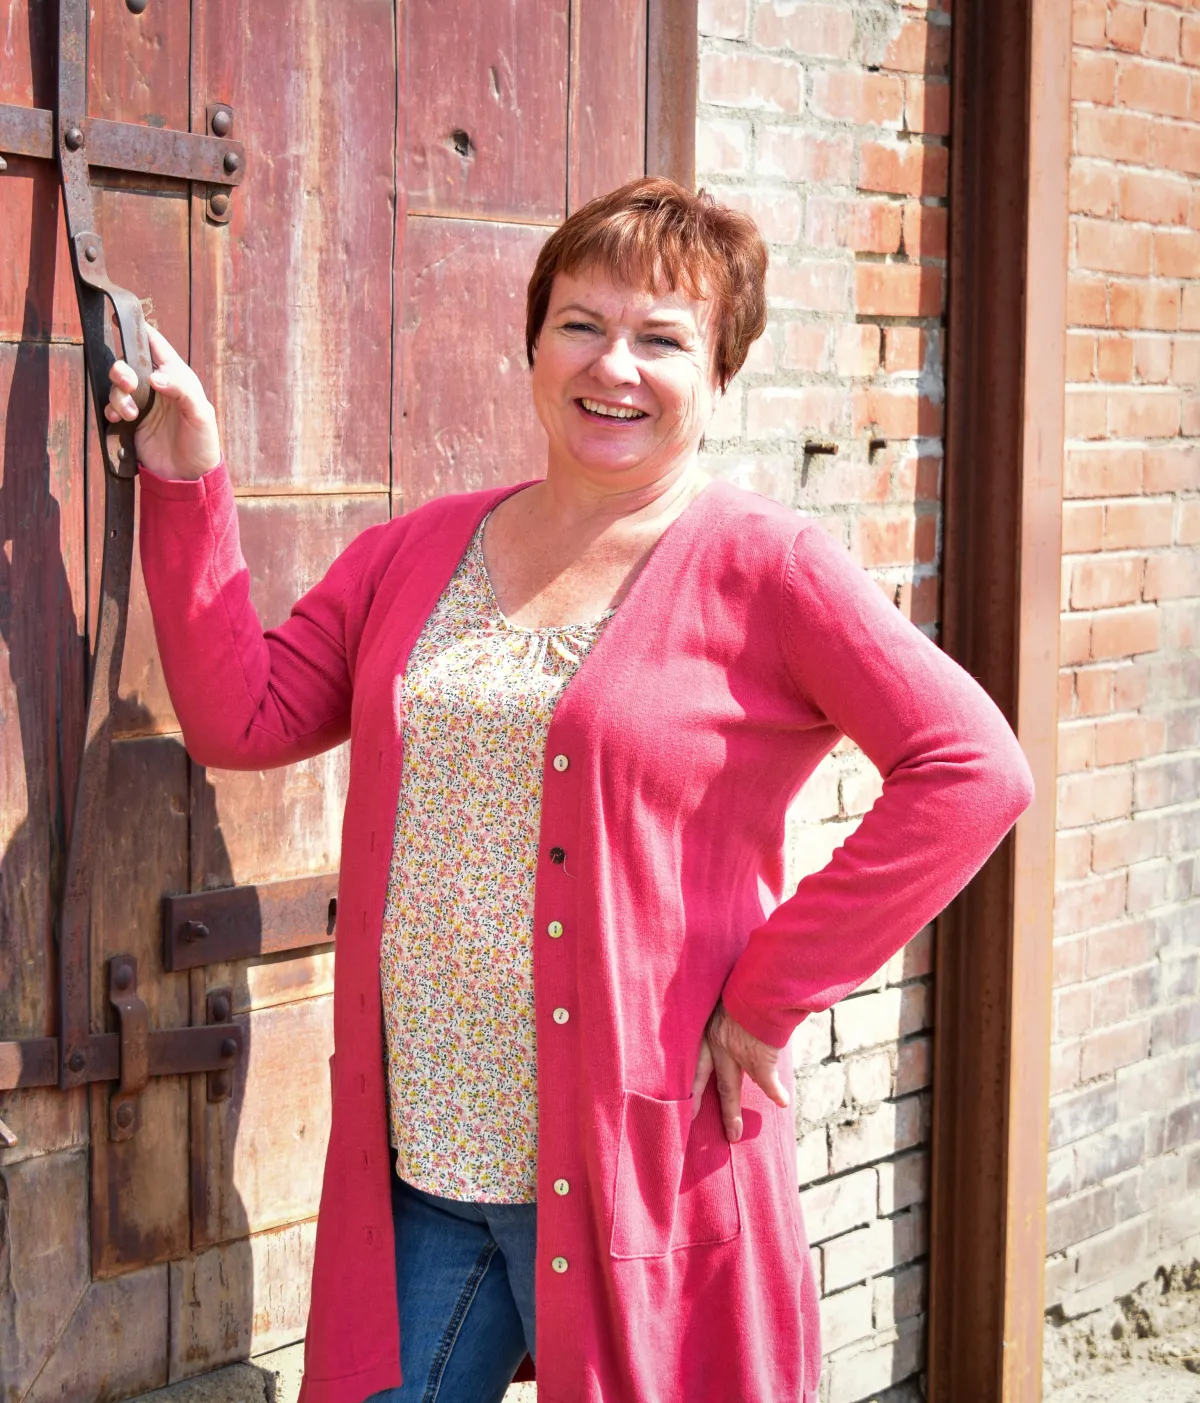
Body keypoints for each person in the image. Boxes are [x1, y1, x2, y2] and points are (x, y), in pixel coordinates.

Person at [107, 177, 1034, 1403]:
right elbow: (244, 716)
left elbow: (972, 768)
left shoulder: (767, 567)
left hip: (629, 1162)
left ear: (720, 373)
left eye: (664, 339)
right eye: (582, 324)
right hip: (425, 1162)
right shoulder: (418, 549)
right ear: (534, 344)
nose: (615, 365)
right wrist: (188, 477)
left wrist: (768, 995)